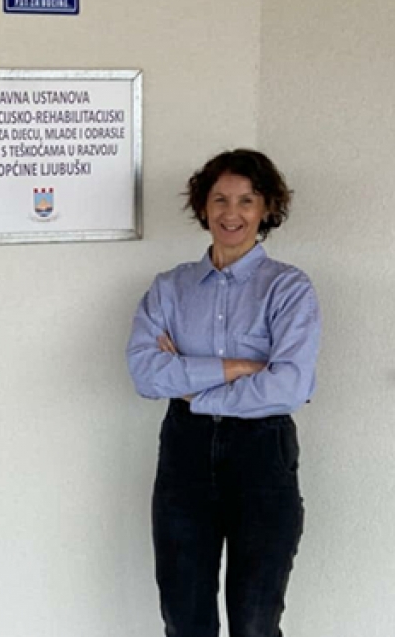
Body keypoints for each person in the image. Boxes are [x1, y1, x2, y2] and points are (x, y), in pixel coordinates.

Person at [126, 149, 321, 637]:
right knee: (184, 618)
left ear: (267, 208)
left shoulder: (288, 289)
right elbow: (146, 374)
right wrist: (238, 368)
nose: (231, 213)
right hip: (185, 452)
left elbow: (288, 386)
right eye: (220, 199)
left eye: (246, 200)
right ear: (203, 206)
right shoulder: (170, 288)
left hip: (262, 452)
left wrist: (193, 387)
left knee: (255, 622)